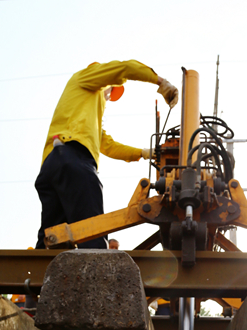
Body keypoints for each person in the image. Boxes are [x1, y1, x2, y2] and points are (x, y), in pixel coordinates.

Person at [35, 60, 178, 249]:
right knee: (92, 232)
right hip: (73, 159)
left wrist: (144, 153)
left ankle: (33, 275)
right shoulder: (87, 77)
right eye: (110, 91)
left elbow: (108, 145)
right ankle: (98, 274)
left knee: (52, 239)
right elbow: (124, 68)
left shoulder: (84, 115)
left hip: (52, 165)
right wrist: (160, 82)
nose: (109, 97)